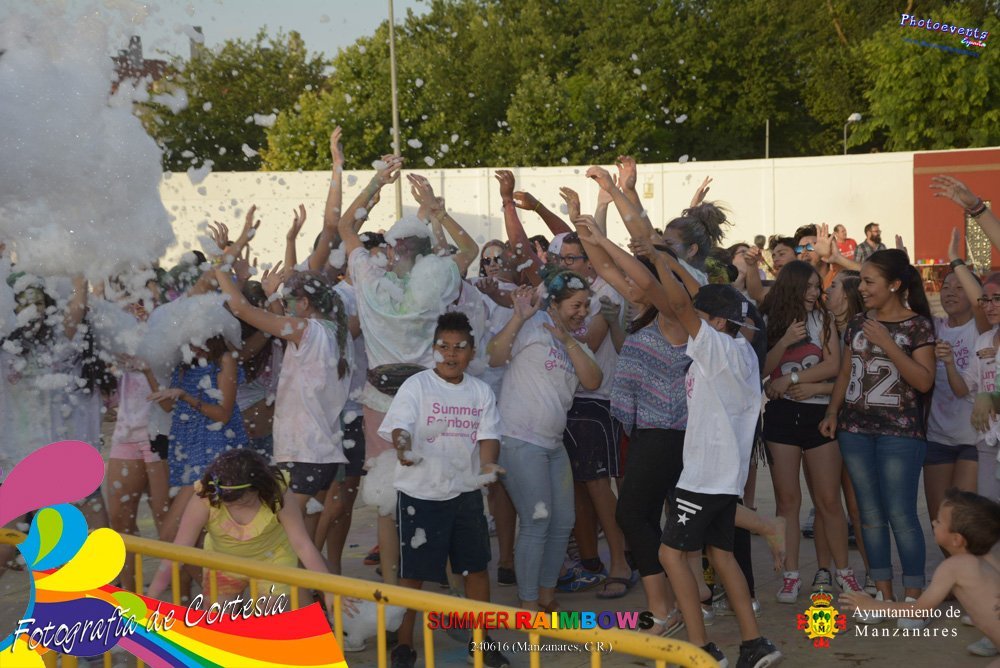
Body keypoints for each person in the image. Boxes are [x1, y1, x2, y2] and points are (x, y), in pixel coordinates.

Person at [647, 251, 782, 666]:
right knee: (721, 556)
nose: (692, 324)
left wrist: (659, 262)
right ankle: (754, 643)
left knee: (671, 555)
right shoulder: (742, 348)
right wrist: (671, 262)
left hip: (704, 475)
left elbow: (681, 305)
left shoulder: (716, 348)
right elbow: (698, 298)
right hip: (726, 475)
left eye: (701, 318)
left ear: (718, 323)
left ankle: (700, 649)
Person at [379, 313, 508, 668]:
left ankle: (480, 642)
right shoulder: (417, 386)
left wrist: (488, 466)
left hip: (465, 493)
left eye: (459, 348)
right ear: (433, 349)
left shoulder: (480, 391)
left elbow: (488, 437)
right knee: (412, 576)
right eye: (444, 346)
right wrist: (403, 450)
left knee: (476, 570)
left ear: (472, 352)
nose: (451, 354)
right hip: (420, 496)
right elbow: (400, 427)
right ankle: (404, 646)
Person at [820, 249, 935, 627]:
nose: (863, 288)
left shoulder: (918, 326)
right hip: (855, 431)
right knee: (868, 516)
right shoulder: (857, 322)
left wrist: (887, 343)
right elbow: (845, 372)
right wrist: (833, 412)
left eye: (870, 282)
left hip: (901, 433)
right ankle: (883, 597)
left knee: (901, 514)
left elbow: (923, 381)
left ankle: (913, 599)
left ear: (895, 285)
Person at [488, 272, 603, 612]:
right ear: (555, 303)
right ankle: (528, 603)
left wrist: (567, 339)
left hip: (553, 445)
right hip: (519, 439)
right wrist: (518, 317)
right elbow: (494, 356)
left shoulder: (575, 342)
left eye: (586, 305)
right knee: (537, 520)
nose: (583, 312)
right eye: (576, 305)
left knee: (563, 521)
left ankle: (547, 595)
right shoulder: (532, 326)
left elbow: (593, 380)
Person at [214, 263, 352, 539]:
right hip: (323, 449)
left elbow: (241, 309)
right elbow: (282, 325)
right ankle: (313, 571)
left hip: (304, 450)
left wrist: (220, 265)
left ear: (305, 303)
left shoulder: (306, 330)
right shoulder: (336, 331)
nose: (287, 309)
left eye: (290, 303)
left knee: (281, 537)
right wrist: (273, 296)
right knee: (303, 541)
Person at [759, 260, 861, 603]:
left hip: (819, 415)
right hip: (781, 416)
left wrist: (793, 378)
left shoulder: (823, 319)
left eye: (819, 286)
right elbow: (762, 367)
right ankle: (790, 575)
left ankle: (844, 573)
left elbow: (834, 365)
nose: (816, 292)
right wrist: (785, 340)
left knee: (828, 500)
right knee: (787, 501)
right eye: (810, 286)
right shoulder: (768, 320)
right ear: (792, 286)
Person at [146, 449, 345, 623]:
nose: (236, 507)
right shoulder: (206, 496)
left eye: (244, 502)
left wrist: (327, 589)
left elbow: (302, 544)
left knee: (271, 623)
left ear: (260, 488)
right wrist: (151, 596)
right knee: (217, 624)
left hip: (274, 561)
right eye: (228, 504)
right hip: (223, 562)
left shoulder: (278, 494)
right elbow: (179, 550)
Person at [839, 488, 1000, 649]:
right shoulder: (986, 556)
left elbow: (919, 611)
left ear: (956, 539)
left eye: (939, 522)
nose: (933, 522)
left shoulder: (952, 567)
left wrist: (872, 605)